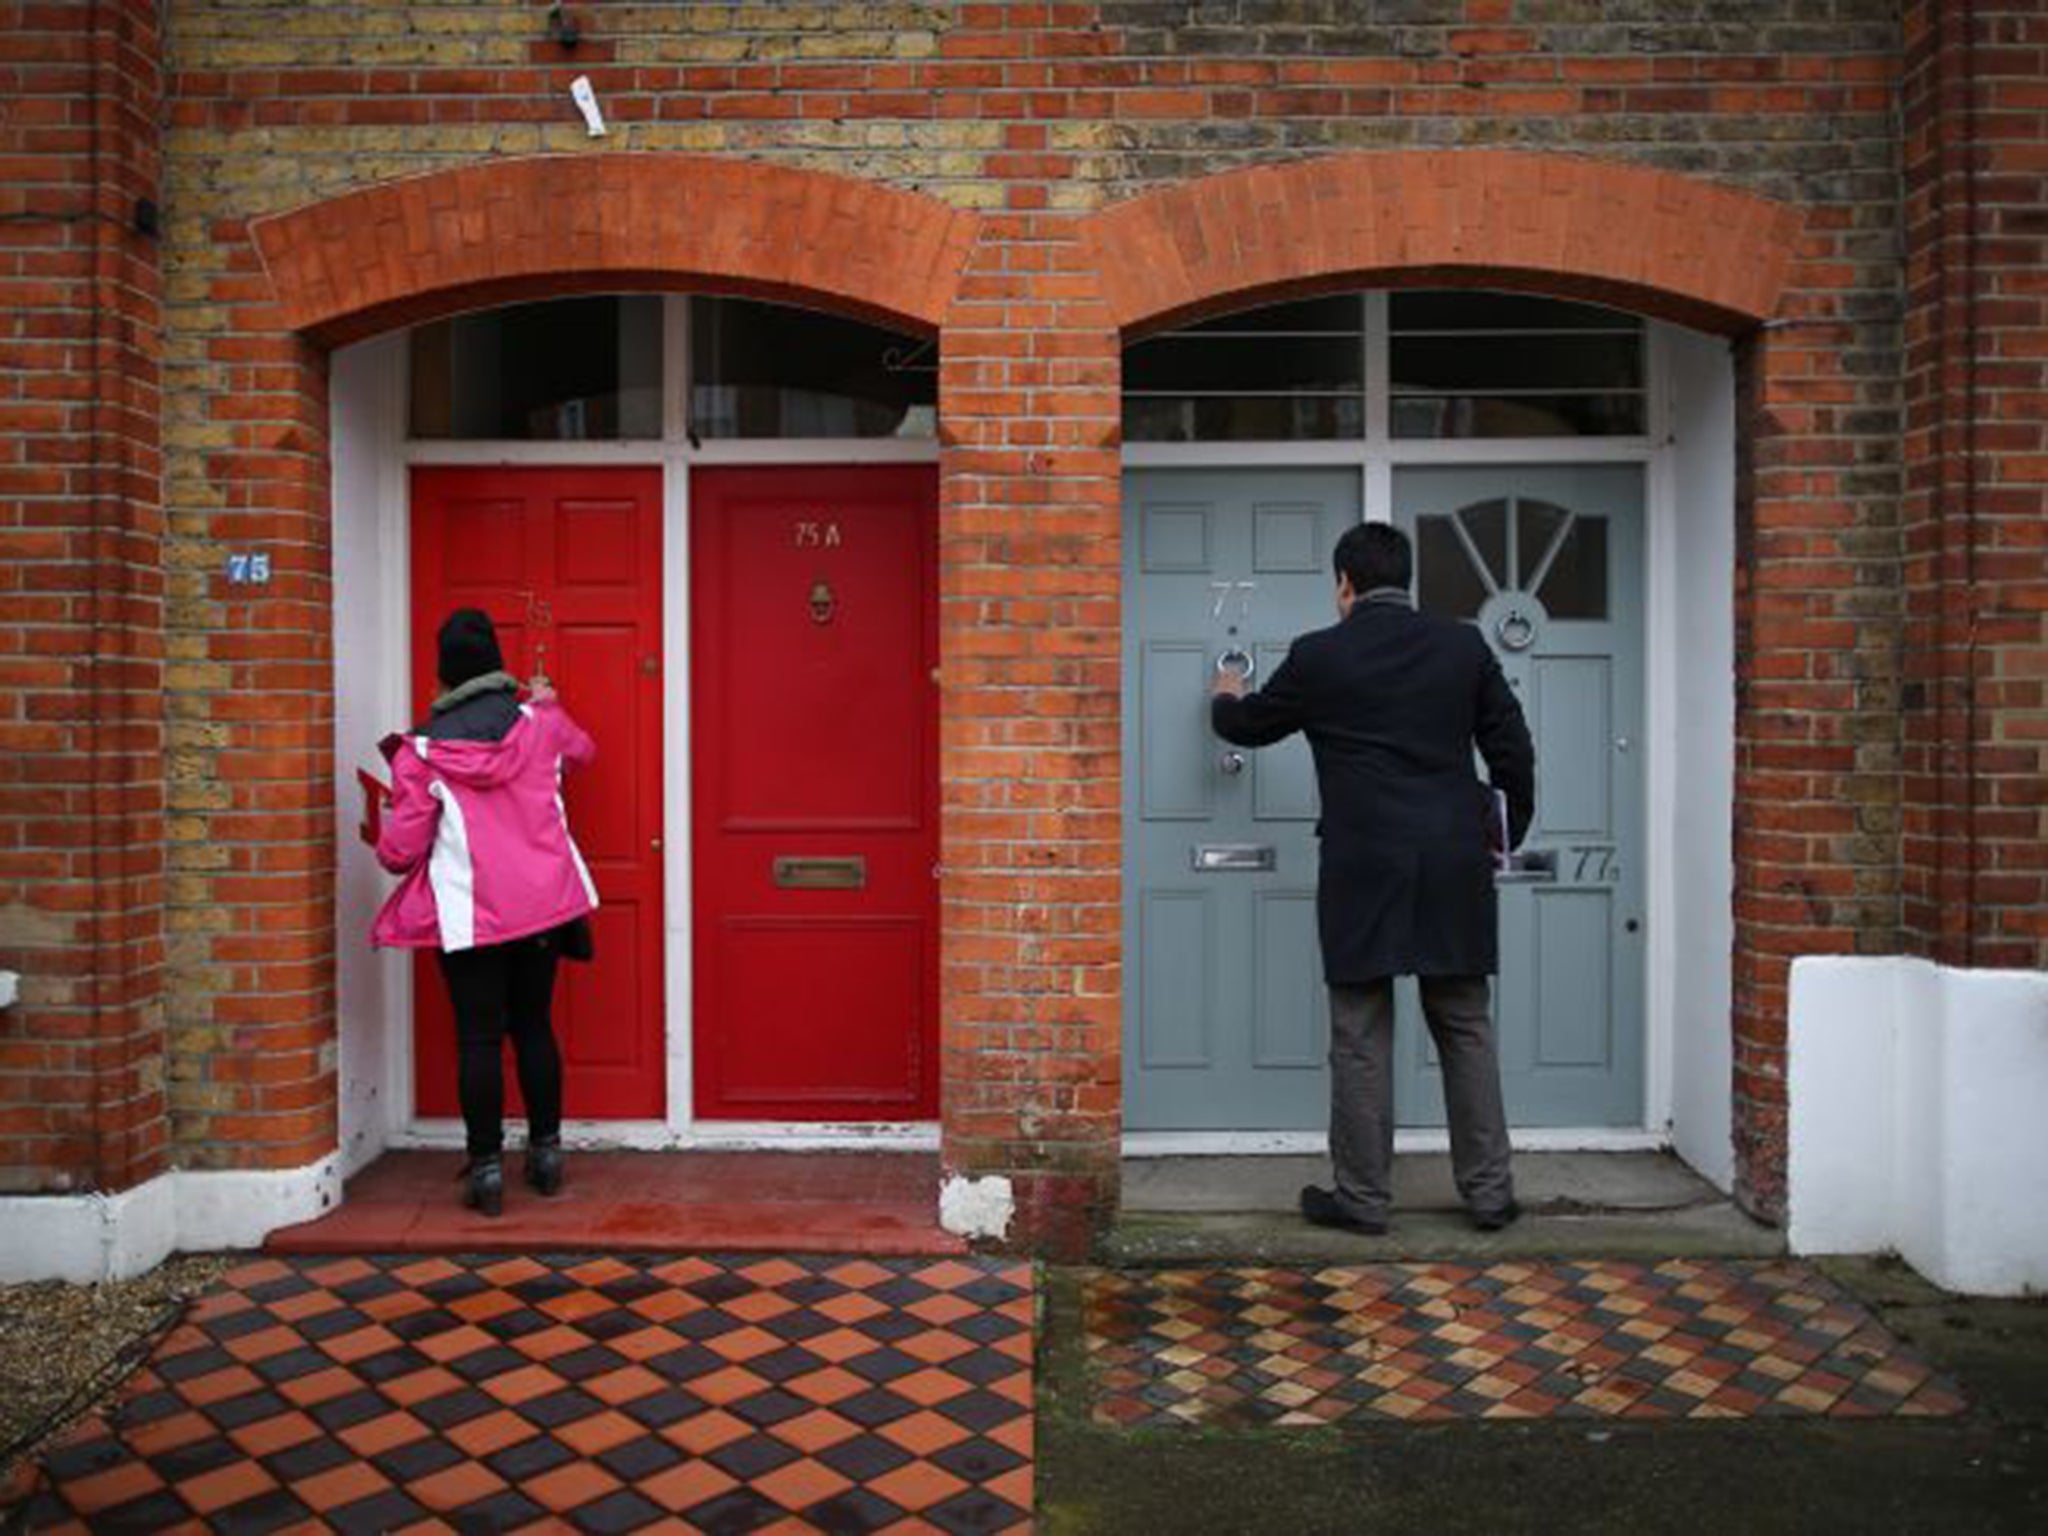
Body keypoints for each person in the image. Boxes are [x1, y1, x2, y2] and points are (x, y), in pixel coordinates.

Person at [1211, 522, 1535, 1235]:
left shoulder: (1321, 655)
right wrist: (1503, 836)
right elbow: (1512, 750)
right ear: (1407, 579)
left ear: (1343, 585)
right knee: (1465, 1025)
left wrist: (1227, 693)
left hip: (1365, 865)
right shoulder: (1461, 646)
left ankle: (1361, 1200)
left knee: (1360, 1032)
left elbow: (1249, 728)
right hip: (1453, 860)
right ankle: (1490, 1194)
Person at [371, 608, 598, 1216]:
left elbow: (401, 853)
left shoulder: (420, 752)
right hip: (543, 911)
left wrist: (379, 833)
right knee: (533, 1026)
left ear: (443, 677)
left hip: (470, 917)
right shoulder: (539, 725)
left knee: (478, 1037)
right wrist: (548, 705)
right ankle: (547, 1155)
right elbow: (583, 753)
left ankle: (488, 1169)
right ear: (498, 667)